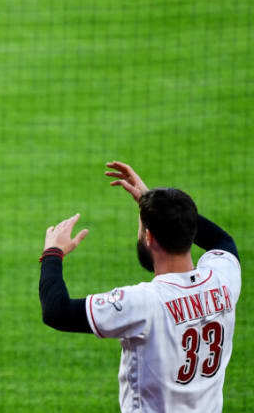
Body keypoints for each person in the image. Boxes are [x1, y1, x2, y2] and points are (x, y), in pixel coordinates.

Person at [39, 161, 240, 412]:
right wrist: (157, 206)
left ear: (149, 237)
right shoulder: (223, 280)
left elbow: (57, 312)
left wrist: (52, 253)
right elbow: (222, 240)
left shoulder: (144, 303)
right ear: (190, 231)